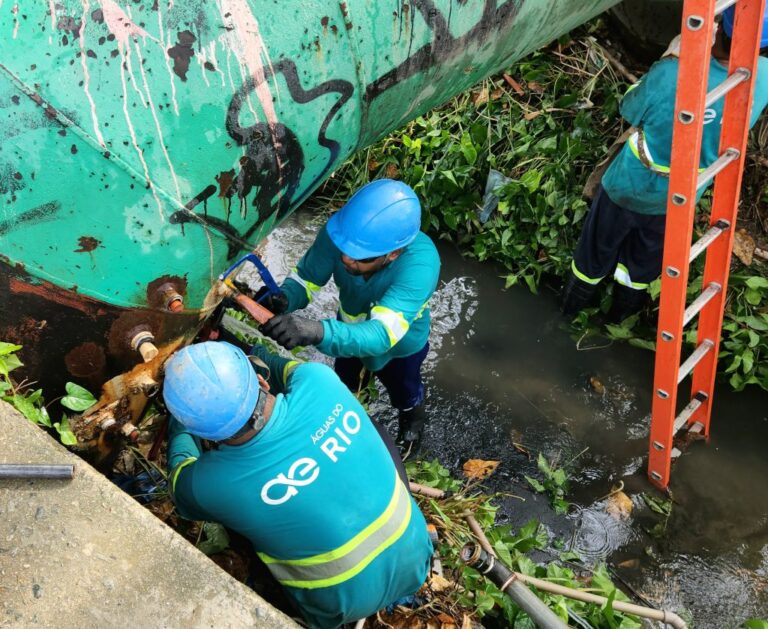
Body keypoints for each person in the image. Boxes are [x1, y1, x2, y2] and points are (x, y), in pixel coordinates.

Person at [163, 341, 432, 629]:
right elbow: (283, 367)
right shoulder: (320, 379)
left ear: (204, 433)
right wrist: (258, 352)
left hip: (340, 610)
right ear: (261, 380)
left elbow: (180, 474)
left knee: (243, 524)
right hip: (417, 558)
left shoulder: (212, 484)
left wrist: (179, 423)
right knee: (374, 428)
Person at [562, 5, 768, 321]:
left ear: (721, 30)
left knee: (592, 256)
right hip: (681, 197)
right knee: (641, 265)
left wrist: (670, 59)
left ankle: (569, 314)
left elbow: (630, 108)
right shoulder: (764, 79)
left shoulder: (675, 74)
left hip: (628, 185)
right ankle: (617, 321)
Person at [258, 179, 441, 452]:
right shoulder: (342, 234)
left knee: (404, 389)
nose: (346, 260)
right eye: (345, 251)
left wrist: (317, 331)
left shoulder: (421, 265)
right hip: (347, 338)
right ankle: (353, 422)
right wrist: (285, 298)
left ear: (393, 254)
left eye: (360, 258)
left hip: (400, 348)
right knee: (346, 385)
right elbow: (307, 278)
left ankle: (411, 424)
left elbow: (381, 335)